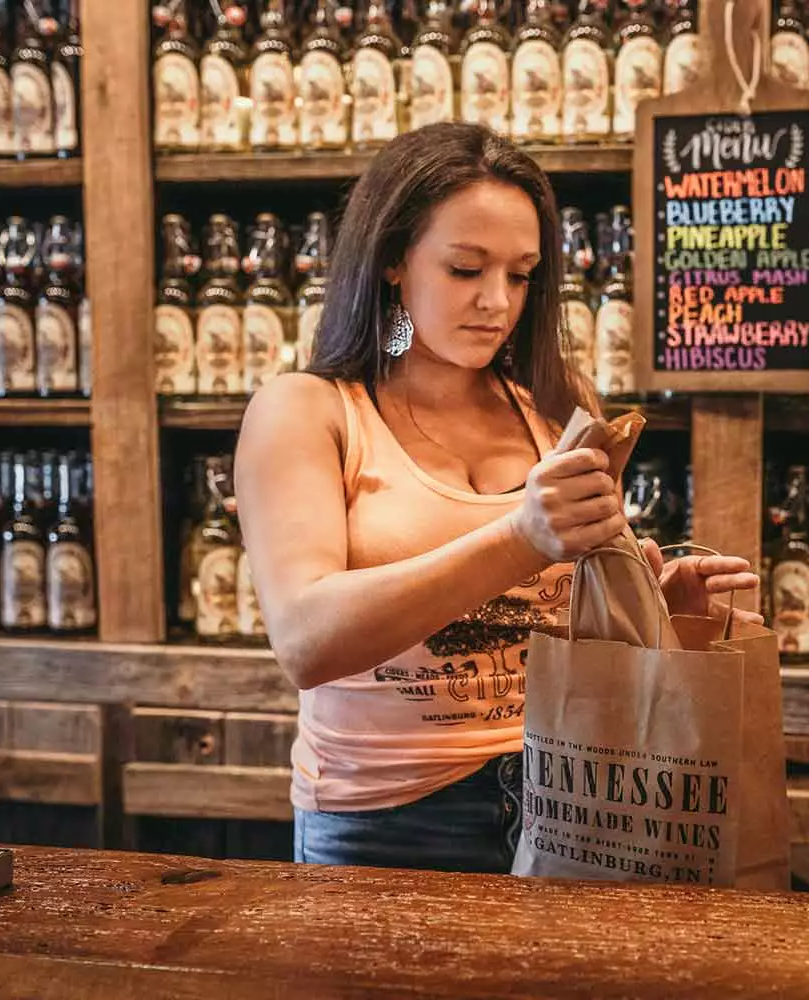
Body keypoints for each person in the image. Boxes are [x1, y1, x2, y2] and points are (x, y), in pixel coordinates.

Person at [235, 122, 761, 873]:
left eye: (520, 275)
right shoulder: (308, 410)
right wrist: (520, 536)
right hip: (387, 816)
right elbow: (305, 641)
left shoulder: (556, 402)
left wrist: (658, 603)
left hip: (575, 790)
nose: (496, 301)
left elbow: (566, 613)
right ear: (392, 261)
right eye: (464, 269)